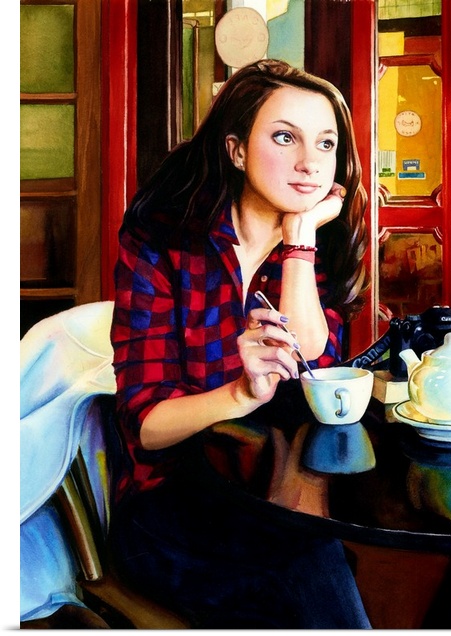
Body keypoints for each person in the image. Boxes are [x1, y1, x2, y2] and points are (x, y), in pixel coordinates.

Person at [108, 60, 371, 628]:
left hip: (279, 494)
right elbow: (146, 424)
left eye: (326, 144)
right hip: (168, 502)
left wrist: (300, 240)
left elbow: (315, 367)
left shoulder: (319, 245)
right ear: (236, 150)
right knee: (311, 569)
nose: (310, 163)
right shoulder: (164, 240)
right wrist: (239, 393)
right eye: (285, 137)